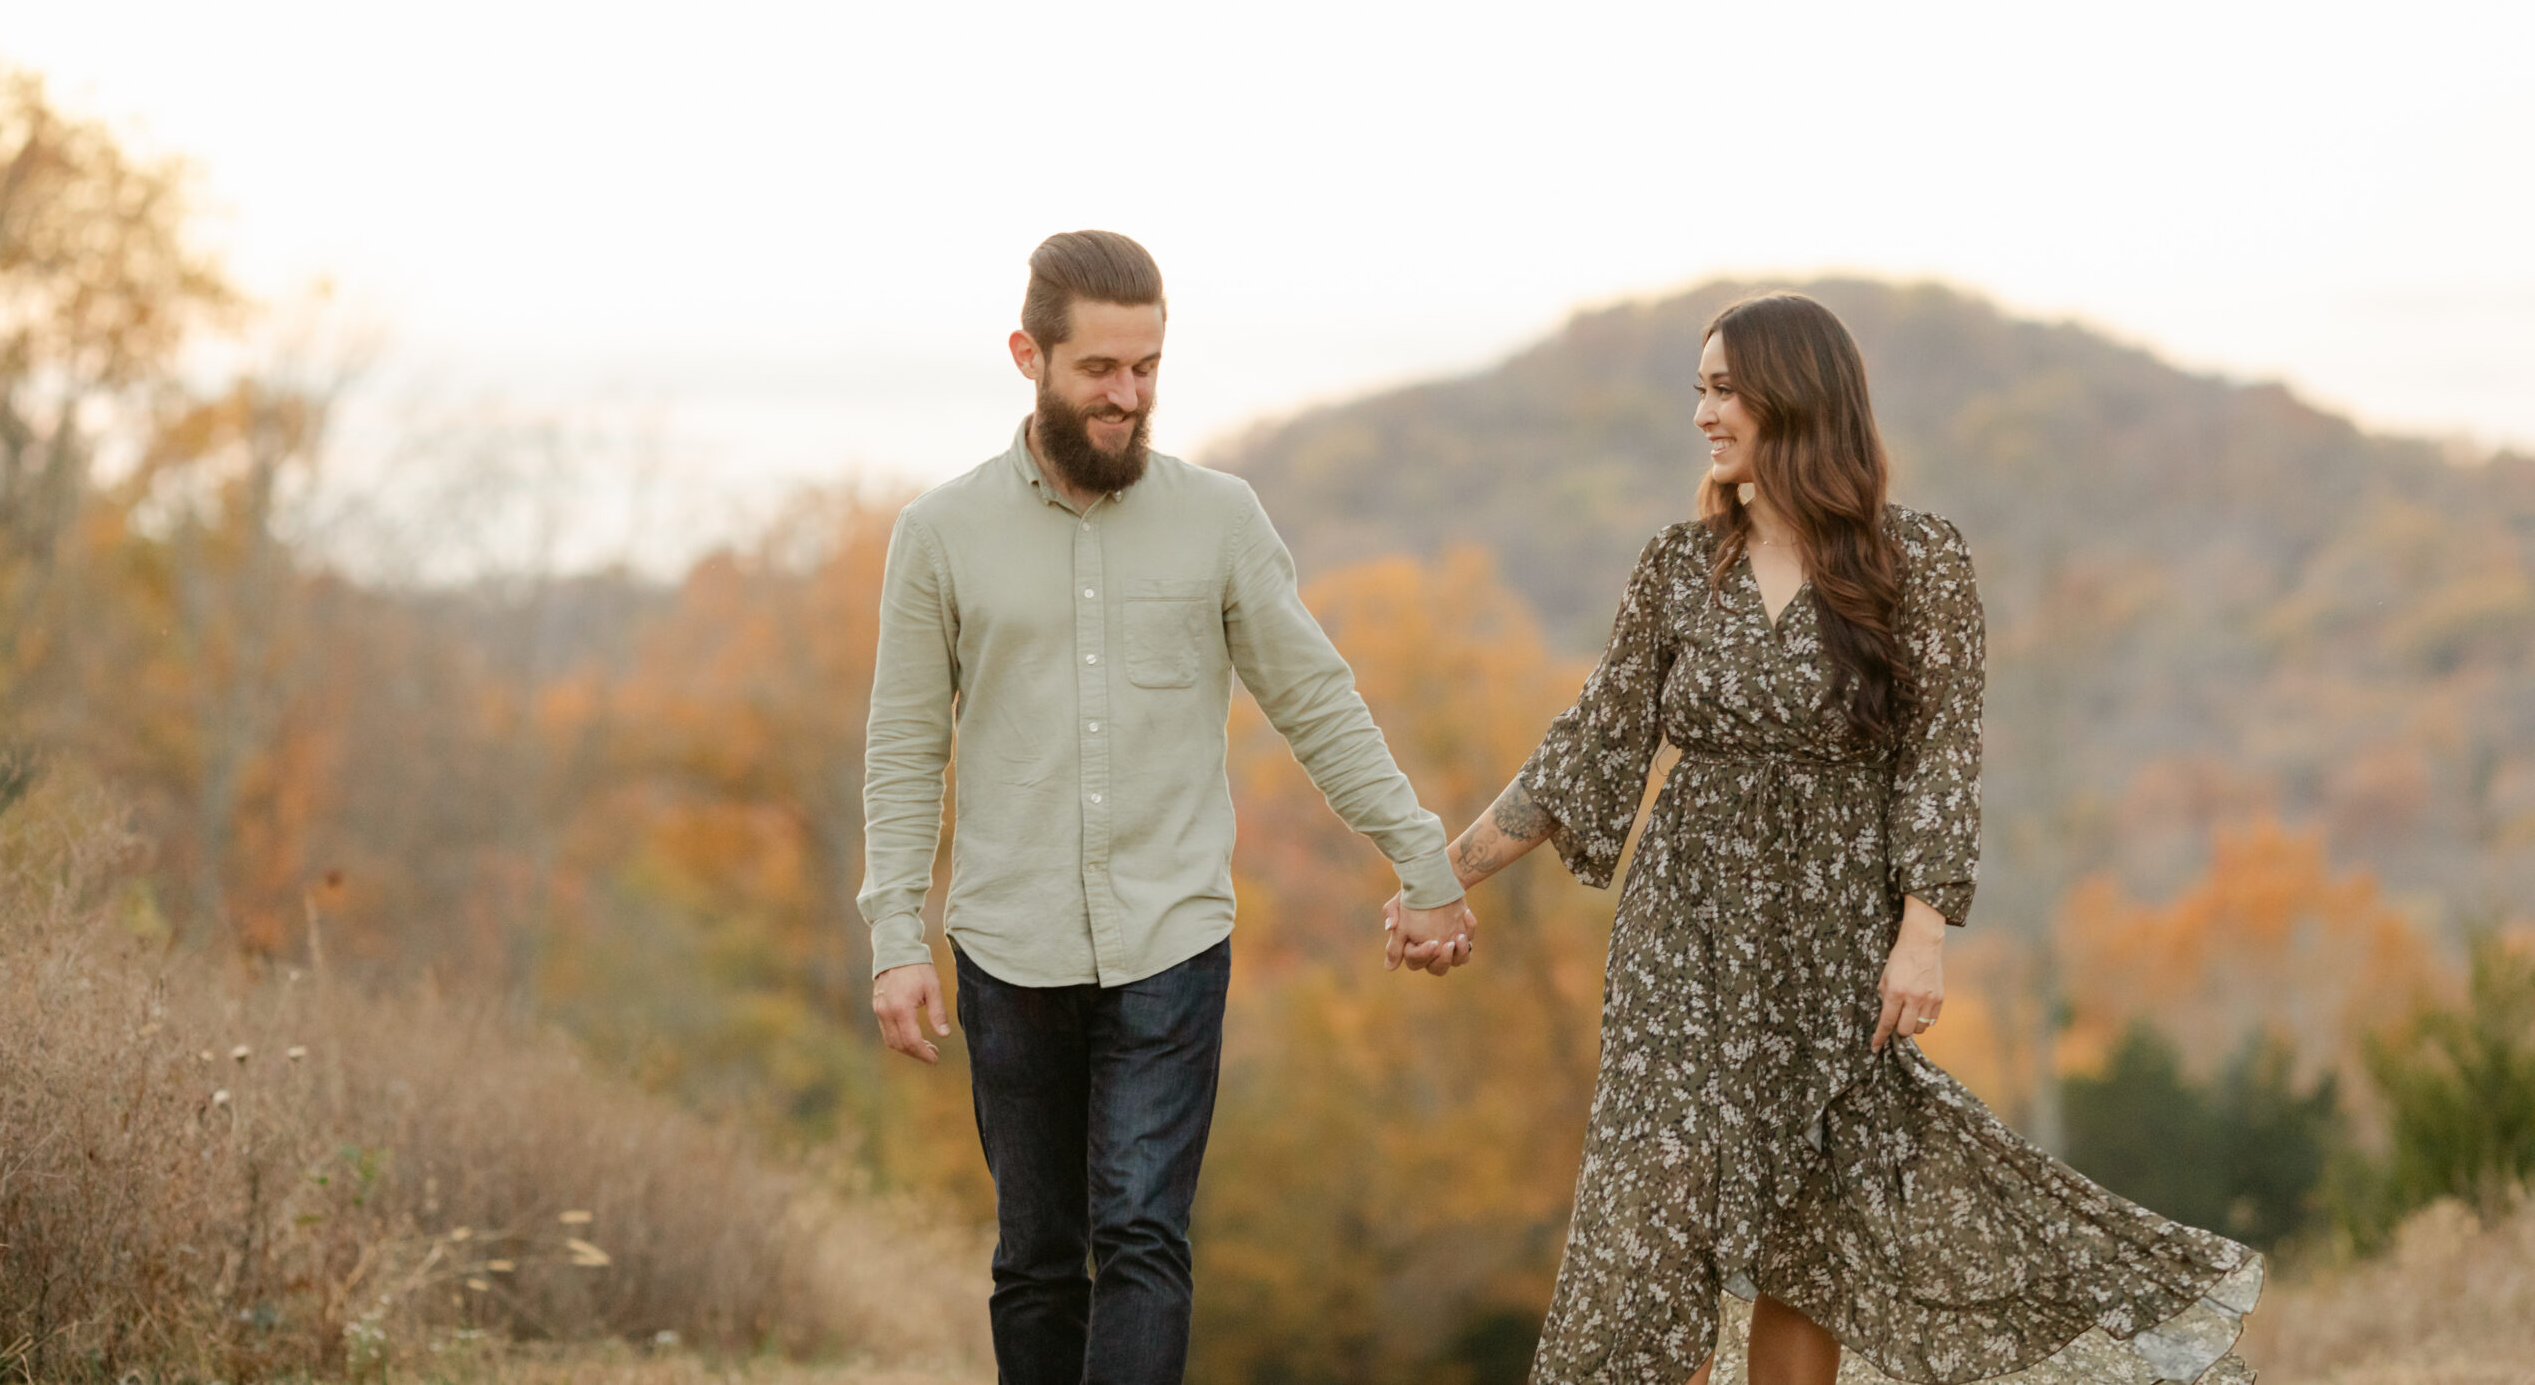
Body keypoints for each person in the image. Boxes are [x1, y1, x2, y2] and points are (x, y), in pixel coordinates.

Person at [1419, 292, 2264, 1384]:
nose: (1702, 415)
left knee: (1808, 1229)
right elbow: (1590, 743)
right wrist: (1441, 876)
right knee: (1646, 1208)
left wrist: (1923, 936)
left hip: (1836, 937)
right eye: (1698, 390)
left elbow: (1941, 756)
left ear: (1795, 398)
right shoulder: (1678, 566)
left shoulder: (1919, 561)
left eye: (1723, 390)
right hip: (1685, 937)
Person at [858, 230, 1476, 1385]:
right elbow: (900, 754)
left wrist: (1422, 858)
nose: (1127, 397)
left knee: (1142, 1235)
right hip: (1010, 943)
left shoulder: (1220, 519)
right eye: (1099, 370)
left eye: (1146, 368)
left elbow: (1317, 701)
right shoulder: (939, 535)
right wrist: (895, 934)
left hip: (1170, 938)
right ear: (1027, 356)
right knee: (1037, 1258)